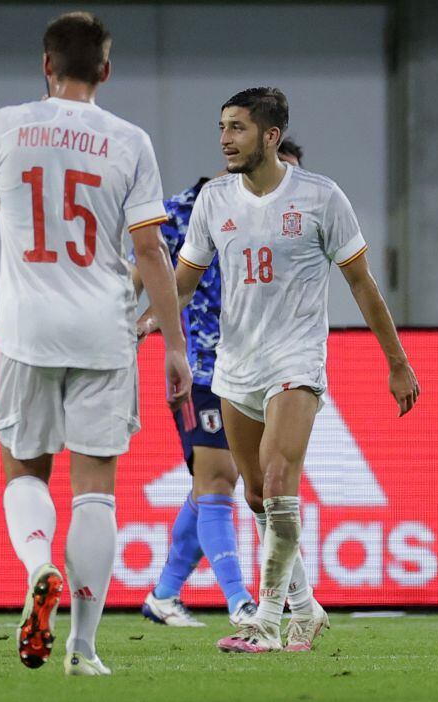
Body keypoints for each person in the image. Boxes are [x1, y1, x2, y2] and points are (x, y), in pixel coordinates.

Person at [0, 12, 192, 676]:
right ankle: (83, 648)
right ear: (105, 71)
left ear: (45, 66)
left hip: (26, 328)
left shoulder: (6, 124)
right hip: (104, 329)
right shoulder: (130, 141)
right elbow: (150, 249)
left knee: (25, 471)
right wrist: (173, 346)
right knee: (95, 491)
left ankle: (39, 567)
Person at [173, 87, 418, 653]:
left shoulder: (321, 198)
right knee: (258, 497)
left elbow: (362, 283)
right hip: (235, 365)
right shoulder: (214, 199)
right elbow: (186, 278)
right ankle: (307, 609)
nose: (224, 139)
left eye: (236, 128)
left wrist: (397, 363)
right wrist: (143, 320)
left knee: (281, 484)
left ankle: (266, 619)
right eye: (222, 127)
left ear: (271, 136)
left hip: (296, 360)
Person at [134, 138, 310, 630]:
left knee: (214, 485)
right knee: (217, 479)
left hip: (259, 372)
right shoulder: (184, 211)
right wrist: (134, 322)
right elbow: (141, 269)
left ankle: (164, 595)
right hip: (200, 372)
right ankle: (240, 601)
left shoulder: (285, 226)